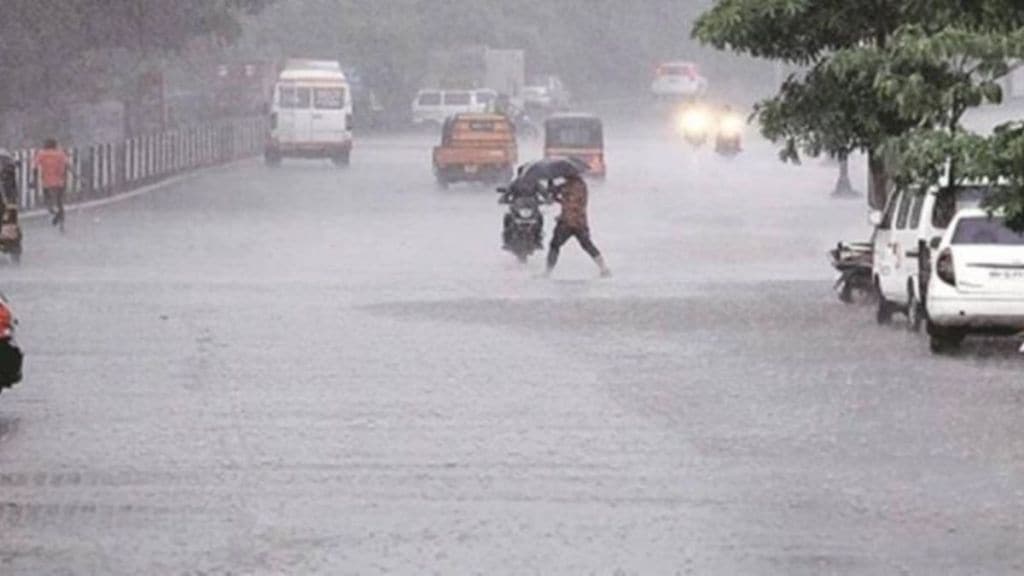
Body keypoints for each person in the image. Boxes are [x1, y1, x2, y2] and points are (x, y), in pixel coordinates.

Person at [546, 174, 611, 277]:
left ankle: (547, 272)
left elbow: (571, 203)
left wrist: (558, 196)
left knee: (556, 245)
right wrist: (552, 189)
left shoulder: (577, 186)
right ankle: (603, 268)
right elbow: (561, 197)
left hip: (571, 222)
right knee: (586, 245)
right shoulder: (570, 184)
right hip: (576, 221)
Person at [32, 138, 69, 231]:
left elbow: (35, 167)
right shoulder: (60, 154)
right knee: (60, 202)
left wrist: (33, 179)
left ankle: (54, 213)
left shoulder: (42, 154)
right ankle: (62, 223)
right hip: (60, 182)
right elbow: (67, 165)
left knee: (48, 203)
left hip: (47, 183)